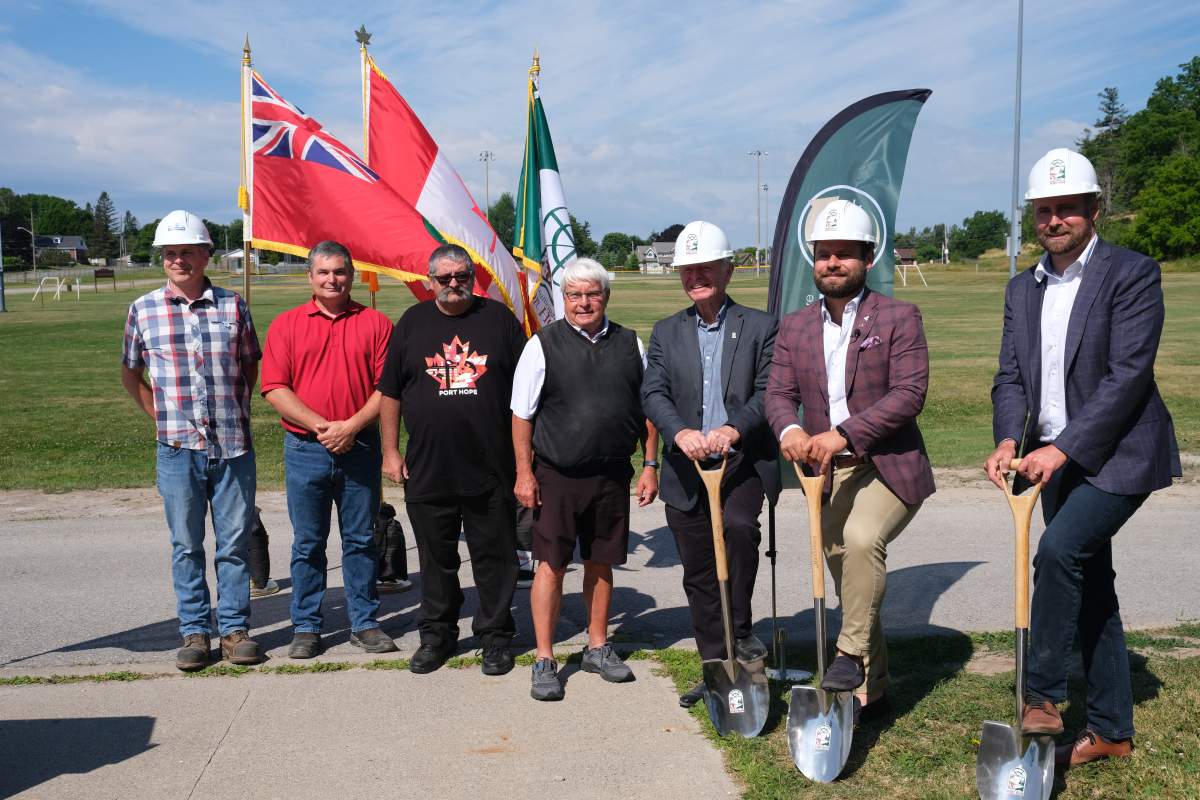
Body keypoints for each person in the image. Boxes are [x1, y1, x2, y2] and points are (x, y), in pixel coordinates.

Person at [985, 148, 1181, 767]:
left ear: (1095, 209)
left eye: (1067, 208)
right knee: (1091, 584)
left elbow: (1127, 378)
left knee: (1060, 552)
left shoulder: (1131, 273)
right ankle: (1112, 731)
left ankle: (1041, 696)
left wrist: (1063, 448)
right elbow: (1011, 375)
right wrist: (1009, 441)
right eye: (1044, 210)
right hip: (1050, 457)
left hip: (1119, 453)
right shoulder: (1022, 288)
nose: (1054, 220)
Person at [765, 200, 934, 718]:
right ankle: (875, 686)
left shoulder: (898, 316)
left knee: (862, 543)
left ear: (867, 257)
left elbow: (910, 393)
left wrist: (843, 433)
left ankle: (849, 655)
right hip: (825, 473)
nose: (832, 263)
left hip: (887, 463)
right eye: (823, 254)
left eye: (844, 254)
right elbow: (776, 392)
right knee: (848, 574)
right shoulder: (795, 326)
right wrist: (791, 429)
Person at [641, 220, 780, 707]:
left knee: (740, 531)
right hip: (686, 469)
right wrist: (679, 432)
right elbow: (652, 392)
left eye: (705, 267)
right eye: (687, 269)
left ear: (728, 268)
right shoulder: (665, 332)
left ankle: (740, 633)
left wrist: (732, 428)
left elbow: (770, 392)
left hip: (740, 463)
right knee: (698, 570)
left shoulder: (762, 326)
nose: (695, 276)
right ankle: (714, 665)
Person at [511, 258, 660, 701]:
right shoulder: (542, 345)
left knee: (601, 561)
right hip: (557, 475)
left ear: (606, 297)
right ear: (563, 300)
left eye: (592, 294)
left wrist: (650, 465)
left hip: (612, 474)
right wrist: (523, 473)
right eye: (574, 295)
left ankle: (597, 646)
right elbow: (521, 415)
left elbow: (649, 409)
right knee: (551, 565)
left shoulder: (630, 343)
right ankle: (544, 657)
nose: (583, 302)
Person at [120, 210, 263, 671]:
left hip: (232, 446)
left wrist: (232, 411)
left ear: (206, 254)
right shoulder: (142, 310)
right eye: (170, 253)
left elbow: (249, 366)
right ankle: (195, 632)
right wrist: (160, 418)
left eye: (187, 251)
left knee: (234, 544)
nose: (178, 260)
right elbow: (131, 373)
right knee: (186, 544)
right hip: (177, 449)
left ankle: (236, 630)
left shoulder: (233, 305)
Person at [378, 244, 524, 675]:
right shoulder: (412, 323)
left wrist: (524, 458)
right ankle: (437, 634)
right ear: (430, 282)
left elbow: (528, 393)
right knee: (435, 559)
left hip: (491, 466)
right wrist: (390, 450)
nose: (454, 284)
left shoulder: (499, 321)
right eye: (445, 278)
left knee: (494, 559)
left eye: (462, 276)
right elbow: (391, 392)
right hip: (428, 467)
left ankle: (496, 636)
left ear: (473, 277)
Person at [261, 241, 398, 659]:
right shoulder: (286, 324)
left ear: (352, 275)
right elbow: (274, 387)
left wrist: (351, 426)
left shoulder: (375, 323)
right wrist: (321, 427)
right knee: (308, 542)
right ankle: (306, 626)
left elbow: (388, 389)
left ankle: (365, 622)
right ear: (310, 277)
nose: (331, 279)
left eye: (339, 272)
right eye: (323, 272)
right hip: (306, 448)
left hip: (360, 447)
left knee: (359, 539)